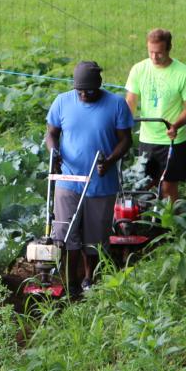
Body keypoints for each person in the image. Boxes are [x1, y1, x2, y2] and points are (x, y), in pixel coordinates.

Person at [45, 61, 133, 295]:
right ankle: (70, 283)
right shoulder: (62, 102)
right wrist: (54, 153)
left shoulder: (116, 104)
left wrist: (111, 160)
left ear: (99, 86)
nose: (84, 95)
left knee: (94, 237)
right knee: (65, 234)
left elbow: (126, 140)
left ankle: (88, 278)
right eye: (80, 91)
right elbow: (51, 133)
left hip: (101, 183)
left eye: (90, 91)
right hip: (68, 180)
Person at [125, 28, 186, 202]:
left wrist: (176, 125)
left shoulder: (183, 73)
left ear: (168, 48)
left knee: (168, 186)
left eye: (158, 53)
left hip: (172, 139)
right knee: (146, 183)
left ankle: (168, 224)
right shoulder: (139, 70)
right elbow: (130, 101)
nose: (154, 57)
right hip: (147, 138)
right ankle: (148, 224)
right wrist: (123, 123)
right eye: (150, 52)